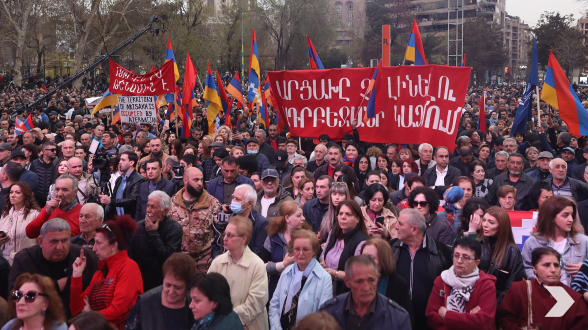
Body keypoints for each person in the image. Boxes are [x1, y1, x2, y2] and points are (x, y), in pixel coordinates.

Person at [9, 219, 98, 318]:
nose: (59, 247)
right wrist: (55, 285)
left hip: (76, 320)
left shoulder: (86, 258)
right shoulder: (24, 260)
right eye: (54, 241)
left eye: (64, 240)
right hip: (37, 319)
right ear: (41, 241)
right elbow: (14, 295)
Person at [70, 216, 143, 330]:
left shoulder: (129, 267)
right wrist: (76, 276)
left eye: (98, 243)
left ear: (113, 246)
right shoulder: (99, 273)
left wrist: (92, 315)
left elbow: (117, 310)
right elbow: (76, 310)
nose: (94, 249)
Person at [391, 209, 453, 330]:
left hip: (429, 320)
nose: (396, 227)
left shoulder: (441, 251)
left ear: (414, 229)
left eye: (400, 224)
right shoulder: (390, 248)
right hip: (397, 316)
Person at [499, 248, 588, 330]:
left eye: (556, 265)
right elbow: (506, 318)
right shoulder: (519, 290)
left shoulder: (574, 299)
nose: (553, 269)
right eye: (547, 265)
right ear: (535, 268)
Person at [207, 216, 269, 330]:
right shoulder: (217, 262)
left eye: (230, 235)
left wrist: (227, 321)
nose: (224, 238)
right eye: (225, 234)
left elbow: (256, 303)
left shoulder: (257, 265)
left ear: (243, 239)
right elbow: (207, 293)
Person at [319, 255, 411, 330]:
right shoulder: (329, 311)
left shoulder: (398, 317)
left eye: (371, 280)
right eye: (359, 281)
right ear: (347, 282)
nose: (366, 288)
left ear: (377, 278)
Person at [425, 237, 497, 330]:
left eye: (466, 257)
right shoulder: (442, 280)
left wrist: (447, 315)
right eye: (456, 255)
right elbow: (431, 316)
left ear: (477, 263)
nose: (459, 261)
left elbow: (483, 322)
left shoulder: (486, 285)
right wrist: (469, 317)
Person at [268, 229, 333, 329]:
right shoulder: (286, 271)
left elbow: (323, 316)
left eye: (305, 249)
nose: (300, 253)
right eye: (297, 249)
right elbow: (274, 305)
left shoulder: (324, 278)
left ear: (314, 251)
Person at [521, 196, 588, 286]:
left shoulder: (584, 241)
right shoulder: (532, 242)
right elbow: (526, 268)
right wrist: (539, 280)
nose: (571, 219)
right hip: (543, 295)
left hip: (574, 296)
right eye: (565, 215)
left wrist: (585, 269)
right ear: (551, 217)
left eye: (571, 215)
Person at [169, 167, 222, 273]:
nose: (199, 183)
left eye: (201, 180)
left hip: (204, 264)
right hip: (179, 263)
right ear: (185, 180)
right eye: (196, 180)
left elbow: (220, 233)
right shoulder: (172, 203)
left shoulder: (212, 203)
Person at [124, 253, 197, 330]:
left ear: (188, 286)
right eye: (168, 285)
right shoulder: (144, 303)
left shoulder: (195, 307)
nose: (171, 291)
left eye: (177, 287)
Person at [128, 191, 182, 291]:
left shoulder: (174, 228)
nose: (148, 210)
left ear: (165, 211)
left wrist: (153, 233)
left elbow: (168, 257)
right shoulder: (138, 226)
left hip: (161, 283)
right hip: (139, 279)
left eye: (153, 207)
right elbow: (130, 254)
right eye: (147, 206)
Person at [260, 201, 309, 301]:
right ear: (287, 218)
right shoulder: (272, 239)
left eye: (302, 215)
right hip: (276, 291)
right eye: (299, 216)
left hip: (301, 293)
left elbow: (310, 268)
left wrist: (276, 268)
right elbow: (261, 267)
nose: (303, 218)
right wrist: (283, 264)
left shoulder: (307, 238)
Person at [478, 207, 523, 311]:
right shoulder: (476, 244)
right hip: (473, 303)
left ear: (501, 226)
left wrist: (489, 306)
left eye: (491, 222)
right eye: (484, 220)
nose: (485, 224)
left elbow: (512, 288)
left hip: (498, 308)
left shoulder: (512, 251)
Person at [320, 200, 369, 295]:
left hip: (345, 291)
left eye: (348, 214)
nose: (343, 217)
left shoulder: (362, 242)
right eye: (340, 213)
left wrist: (336, 274)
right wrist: (322, 263)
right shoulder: (333, 233)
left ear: (358, 219)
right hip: (325, 287)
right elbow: (323, 254)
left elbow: (359, 274)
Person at [360, 238, 413, 324]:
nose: (365, 261)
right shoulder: (353, 280)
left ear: (383, 260)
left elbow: (406, 320)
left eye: (371, 258)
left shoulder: (398, 284)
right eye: (363, 256)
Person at [212, 183, 268, 258]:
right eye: (233, 198)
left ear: (249, 203)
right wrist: (217, 257)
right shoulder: (228, 220)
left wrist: (236, 261)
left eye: (237, 199)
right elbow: (216, 244)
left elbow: (258, 252)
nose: (233, 201)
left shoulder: (261, 223)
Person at [0, 182, 41, 264]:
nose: (13, 195)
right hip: (7, 261)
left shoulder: (35, 214)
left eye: (17, 192)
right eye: (11, 192)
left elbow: (41, 241)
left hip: (27, 261)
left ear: (25, 195)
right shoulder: (5, 214)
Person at [102, 151, 145, 219]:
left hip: (130, 219)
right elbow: (114, 197)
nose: (120, 162)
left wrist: (110, 201)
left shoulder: (138, 179)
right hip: (117, 219)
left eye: (123, 160)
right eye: (120, 159)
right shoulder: (119, 179)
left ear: (131, 163)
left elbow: (132, 200)